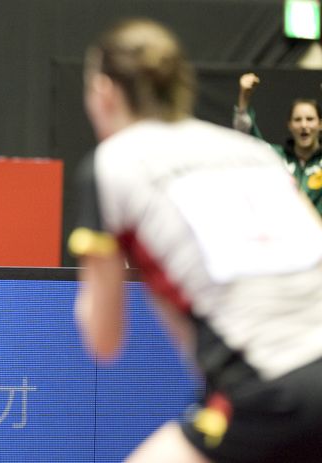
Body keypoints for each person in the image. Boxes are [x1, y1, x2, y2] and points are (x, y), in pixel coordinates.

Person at [70, 18, 322, 462]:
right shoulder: (255, 153)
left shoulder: (112, 164)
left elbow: (104, 340)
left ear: (105, 91)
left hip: (273, 391)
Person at [233, 72, 322, 216]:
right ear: (290, 125)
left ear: (320, 124)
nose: (304, 125)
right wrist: (244, 97)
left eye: (310, 119)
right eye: (298, 120)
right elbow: (246, 137)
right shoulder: (276, 157)